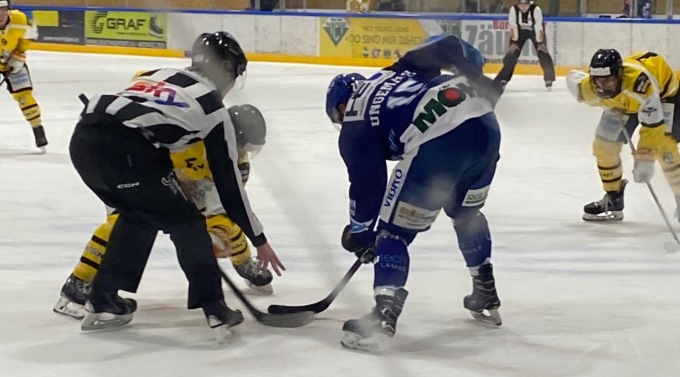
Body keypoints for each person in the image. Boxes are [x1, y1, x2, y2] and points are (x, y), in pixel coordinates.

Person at [68, 31, 284, 338]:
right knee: (187, 224)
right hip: (129, 152)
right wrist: (258, 237)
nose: (233, 82)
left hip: (83, 142)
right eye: (235, 73)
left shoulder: (159, 73)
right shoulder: (213, 109)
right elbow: (229, 184)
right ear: (224, 68)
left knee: (138, 216)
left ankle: (103, 299)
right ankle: (215, 309)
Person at [325, 34, 504, 353]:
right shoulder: (400, 71)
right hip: (486, 127)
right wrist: (474, 76)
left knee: (392, 234)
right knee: (466, 213)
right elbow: (453, 46)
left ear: (340, 105)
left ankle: (383, 318)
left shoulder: (354, 116)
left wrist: (361, 234)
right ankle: (485, 289)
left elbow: (368, 186)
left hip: (441, 141)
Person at [54, 104, 273, 320]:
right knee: (123, 223)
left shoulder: (238, 163)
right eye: (243, 146)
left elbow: (227, 205)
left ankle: (242, 261)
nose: (244, 154)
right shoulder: (190, 143)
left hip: (178, 188)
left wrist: (218, 234)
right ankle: (77, 284)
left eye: (250, 150)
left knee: (224, 223)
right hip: (133, 173)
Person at [566, 49, 680, 229]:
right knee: (604, 146)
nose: (604, 87)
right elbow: (573, 78)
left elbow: (653, 126)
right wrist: (614, 103)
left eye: (609, 80)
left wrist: (644, 159)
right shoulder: (587, 88)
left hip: (665, 95)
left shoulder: (641, 87)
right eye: (599, 81)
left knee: (665, 148)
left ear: (620, 74)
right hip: (625, 101)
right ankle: (614, 198)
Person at [0, 0, 47, 152]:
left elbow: (30, 36)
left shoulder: (20, 20)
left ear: (9, 9)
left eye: (3, 9)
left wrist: (18, 54)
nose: (0, 14)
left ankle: (38, 130)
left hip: (12, 60)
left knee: (24, 95)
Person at [494, 0, 556, 90]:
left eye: (526, 5)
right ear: (518, 4)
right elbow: (513, 26)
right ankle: (503, 78)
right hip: (519, 32)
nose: (523, 7)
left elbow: (539, 26)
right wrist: (514, 42)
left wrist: (540, 42)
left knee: (543, 52)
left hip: (535, 31)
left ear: (529, 4)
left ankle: (549, 78)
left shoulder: (536, 9)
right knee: (512, 54)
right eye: (521, 5)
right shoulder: (514, 10)